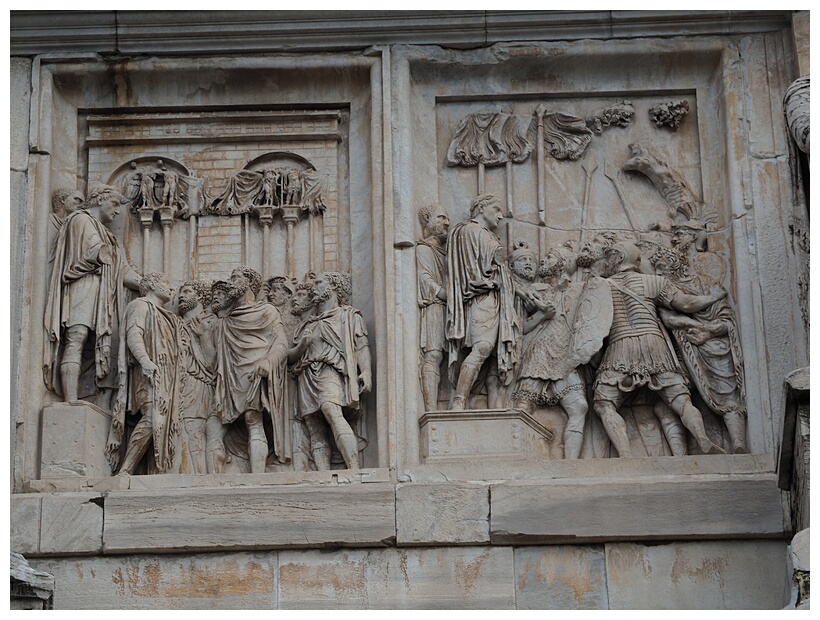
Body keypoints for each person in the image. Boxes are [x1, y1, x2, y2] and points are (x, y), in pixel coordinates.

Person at [592, 241, 727, 457]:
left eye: (609, 258)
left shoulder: (600, 286)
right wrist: (713, 297)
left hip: (621, 345)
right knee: (681, 400)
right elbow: (686, 304)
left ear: (616, 260)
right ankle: (702, 438)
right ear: (636, 260)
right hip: (655, 345)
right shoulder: (653, 282)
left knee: (604, 404)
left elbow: (589, 324)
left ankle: (625, 454)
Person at [44, 184, 141, 404]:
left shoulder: (105, 233)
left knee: (89, 343)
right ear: (99, 199)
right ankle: (70, 399)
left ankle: (85, 393)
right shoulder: (81, 220)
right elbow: (94, 253)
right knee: (76, 336)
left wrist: (144, 283)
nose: (116, 212)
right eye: (114, 204)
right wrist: (105, 255)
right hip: (82, 284)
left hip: (101, 291)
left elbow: (121, 269)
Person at [289, 272, 371, 470]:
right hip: (307, 374)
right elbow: (290, 358)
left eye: (319, 283)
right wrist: (302, 345)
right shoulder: (308, 324)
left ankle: (353, 469)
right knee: (314, 426)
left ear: (333, 287)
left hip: (331, 369)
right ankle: (323, 474)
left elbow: (361, 346)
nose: (314, 287)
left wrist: (366, 371)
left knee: (330, 409)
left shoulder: (348, 316)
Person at [446, 194, 519, 410]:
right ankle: (459, 400)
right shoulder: (469, 230)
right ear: (481, 208)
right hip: (481, 297)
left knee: (494, 357)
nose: (500, 215)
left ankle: (494, 405)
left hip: (497, 299)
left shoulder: (487, 235)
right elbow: (471, 272)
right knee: (483, 347)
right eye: (496, 209)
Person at [213, 267, 289, 473]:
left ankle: (257, 476)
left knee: (253, 419)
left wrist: (268, 362)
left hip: (256, 371)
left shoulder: (267, 311)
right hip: (232, 375)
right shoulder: (226, 321)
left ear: (249, 282)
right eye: (230, 277)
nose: (230, 282)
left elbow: (281, 344)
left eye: (235, 277)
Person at [106, 273, 180, 475]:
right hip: (148, 372)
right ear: (153, 285)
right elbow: (134, 334)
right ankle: (126, 470)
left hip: (165, 375)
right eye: (165, 282)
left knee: (161, 422)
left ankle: (155, 472)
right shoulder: (140, 306)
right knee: (151, 417)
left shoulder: (166, 315)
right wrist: (145, 360)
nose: (170, 287)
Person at [177, 280, 225, 473]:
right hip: (182, 382)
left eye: (187, 292)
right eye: (181, 292)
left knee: (197, 430)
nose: (181, 296)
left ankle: (202, 476)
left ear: (200, 296)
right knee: (188, 431)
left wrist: (202, 335)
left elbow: (214, 361)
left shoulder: (211, 322)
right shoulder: (176, 323)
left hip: (202, 382)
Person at [416, 204, 450, 411]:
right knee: (434, 354)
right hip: (436, 306)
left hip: (454, 307)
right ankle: (430, 408)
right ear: (427, 220)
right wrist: (441, 292)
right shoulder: (424, 248)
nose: (446, 222)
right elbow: (424, 277)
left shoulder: (449, 250)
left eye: (447, 218)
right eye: (441, 217)